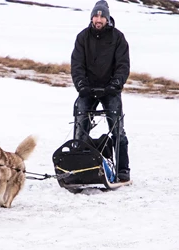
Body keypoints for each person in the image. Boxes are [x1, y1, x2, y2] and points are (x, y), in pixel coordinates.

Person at [70, 0, 131, 182]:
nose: (98, 19)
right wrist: (81, 85)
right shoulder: (82, 37)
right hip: (87, 89)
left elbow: (123, 65)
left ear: (107, 18)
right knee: (80, 125)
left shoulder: (118, 38)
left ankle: (122, 169)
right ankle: (78, 167)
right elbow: (77, 65)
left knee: (117, 128)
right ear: (91, 18)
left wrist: (115, 85)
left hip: (110, 89)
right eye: (96, 16)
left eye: (102, 16)